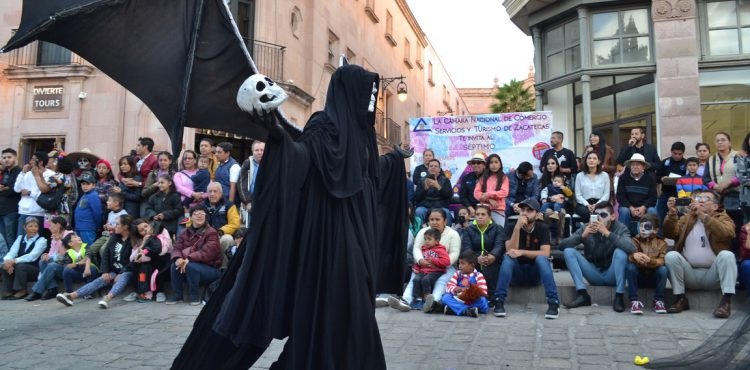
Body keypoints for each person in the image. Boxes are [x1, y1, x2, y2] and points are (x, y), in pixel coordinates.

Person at [663, 190, 737, 318]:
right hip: (690, 274)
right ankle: (680, 298)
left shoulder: (723, 218)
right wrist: (672, 214)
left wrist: (703, 216)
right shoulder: (687, 218)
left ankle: (725, 302)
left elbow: (727, 234)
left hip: (713, 276)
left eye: (706, 198)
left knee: (727, 255)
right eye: (699, 198)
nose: (701, 200)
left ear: (715, 206)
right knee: (671, 256)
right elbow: (670, 233)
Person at [560, 202, 635, 312]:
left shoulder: (620, 228)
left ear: (613, 216)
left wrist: (607, 233)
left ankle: (619, 296)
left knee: (621, 252)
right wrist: (582, 236)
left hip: (612, 274)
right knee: (568, 251)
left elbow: (631, 248)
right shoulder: (587, 227)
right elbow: (562, 245)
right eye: (596, 215)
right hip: (594, 273)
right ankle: (583, 294)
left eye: (603, 215)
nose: (599, 219)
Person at [492, 198, 559, 319]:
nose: (525, 213)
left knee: (541, 259)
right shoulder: (511, 226)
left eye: (529, 210)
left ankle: (553, 302)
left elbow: (545, 253)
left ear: (537, 214)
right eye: (522, 210)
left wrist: (521, 252)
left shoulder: (543, 228)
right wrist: (517, 228)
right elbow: (510, 250)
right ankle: (499, 300)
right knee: (508, 258)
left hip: (535, 274)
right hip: (516, 274)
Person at [389, 208, 461, 313]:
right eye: (431, 219)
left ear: (445, 221)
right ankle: (406, 300)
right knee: (415, 276)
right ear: (428, 221)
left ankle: (433, 303)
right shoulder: (423, 232)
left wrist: (438, 264)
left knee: (441, 281)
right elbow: (417, 248)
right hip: (425, 265)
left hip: (446, 267)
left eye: (437, 219)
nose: (434, 222)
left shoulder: (453, 234)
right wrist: (420, 260)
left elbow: (454, 253)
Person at [56, 214, 136, 309]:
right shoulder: (115, 236)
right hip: (114, 270)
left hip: (127, 270)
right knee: (99, 280)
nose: (115, 226)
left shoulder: (133, 239)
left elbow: (133, 261)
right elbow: (106, 254)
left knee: (123, 277)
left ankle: (107, 298)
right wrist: (105, 271)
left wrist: (121, 272)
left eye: (117, 224)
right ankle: (71, 296)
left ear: (125, 226)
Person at [167, 205, 222, 305]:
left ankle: (194, 296)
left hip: (211, 269)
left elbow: (208, 252)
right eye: (196, 214)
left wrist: (189, 258)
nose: (199, 216)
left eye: (202, 213)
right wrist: (178, 258)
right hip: (190, 266)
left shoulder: (211, 232)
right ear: (191, 217)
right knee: (174, 265)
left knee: (190, 266)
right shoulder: (185, 232)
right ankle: (177, 294)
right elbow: (176, 248)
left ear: (206, 216)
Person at [702, 132, 743, 255]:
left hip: (736, 198)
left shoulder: (739, 156)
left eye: (723, 140)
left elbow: (742, 175)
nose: (720, 142)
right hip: (718, 199)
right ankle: (723, 254)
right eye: (717, 140)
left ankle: (737, 256)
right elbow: (706, 178)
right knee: (721, 228)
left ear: (729, 142)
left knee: (736, 228)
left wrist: (728, 184)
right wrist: (715, 186)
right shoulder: (711, 159)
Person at [625, 213, 668, 315]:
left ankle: (658, 300)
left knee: (663, 270)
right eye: (640, 226)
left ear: (655, 230)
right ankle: (634, 301)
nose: (642, 229)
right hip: (639, 277)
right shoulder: (635, 240)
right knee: (630, 267)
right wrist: (634, 257)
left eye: (647, 227)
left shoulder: (662, 243)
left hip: (654, 278)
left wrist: (650, 261)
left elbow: (661, 261)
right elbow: (629, 257)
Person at [461, 204, 505, 300]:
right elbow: (466, 248)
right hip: (474, 260)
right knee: (467, 263)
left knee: (491, 266)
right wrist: (477, 258)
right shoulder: (468, 230)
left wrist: (492, 256)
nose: (480, 216)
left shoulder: (498, 229)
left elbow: (499, 245)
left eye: (483, 214)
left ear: (489, 217)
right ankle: (469, 293)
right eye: (477, 214)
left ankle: (492, 296)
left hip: (492, 260)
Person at [1, 218, 47, 300]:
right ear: (25, 227)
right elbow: (12, 252)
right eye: (30, 226)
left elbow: (32, 256)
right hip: (20, 268)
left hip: (34, 270)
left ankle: (22, 290)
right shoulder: (20, 238)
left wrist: (14, 261)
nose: (33, 228)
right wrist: (7, 261)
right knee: (5, 265)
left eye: (36, 226)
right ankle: (8, 290)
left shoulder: (42, 240)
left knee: (20, 266)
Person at [27, 216, 71, 300]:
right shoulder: (54, 236)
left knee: (51, 266)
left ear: (58, 225)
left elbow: (65, 255)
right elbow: (52, 252)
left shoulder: (69, 234)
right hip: (57, 263)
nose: (49, 228)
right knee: (42, 261)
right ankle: (52, 289)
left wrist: (59, 240)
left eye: (51, 225)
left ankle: (37, 291)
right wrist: (47, 255)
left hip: (67, 266)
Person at [616, 153, 658, 236]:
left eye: (638, 165)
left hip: (644, 208)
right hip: (628, 207)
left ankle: (651, 237)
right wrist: (631, 208)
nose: (635, 166)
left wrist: (643, 207)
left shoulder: (650, 179)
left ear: (643, 167)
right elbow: (620, 196)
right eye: (633, 164)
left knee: (652, 210)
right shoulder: (623, 178)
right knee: (624, 210)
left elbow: (653, 197)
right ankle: (623, 237)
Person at [13, 151, 53, 236]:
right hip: (23, 211)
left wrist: (29, 193)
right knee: (21, 239)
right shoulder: (27, 174)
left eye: (33, 159)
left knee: (36, 242)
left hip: (39, 212)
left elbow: (46, 193)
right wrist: (22, 173)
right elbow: (17, 189)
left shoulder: (51, 174)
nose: (30, 161)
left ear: (41, 162)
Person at [410, 227, 451, 310]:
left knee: (426, 280)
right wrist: (417, 267)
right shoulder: (424, 249)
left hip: (436, 271)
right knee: (416, 280)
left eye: (429, 239)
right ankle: (417, 299)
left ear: (437, 241)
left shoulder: (440, 250)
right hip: (424, 270)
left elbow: (447, 262)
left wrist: (434, 260)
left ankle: (426, 299)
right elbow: (421, 261)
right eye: (425, 239)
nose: (426, 241)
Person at [125, 219, 164, 302]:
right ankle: (141, 291)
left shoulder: (159, 234)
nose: (145, 230)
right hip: (144, 267)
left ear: (149, 224)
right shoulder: (139, 241)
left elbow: (162, 250)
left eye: (146, 226)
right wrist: (143, 243)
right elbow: (132, 258)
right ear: (138, 234)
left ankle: (157, 292)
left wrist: (146, 256)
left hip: (160, 262)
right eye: (141, 230)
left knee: (146, 264)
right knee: (137, 265)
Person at [203, 182, 241, 268]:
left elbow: (235, 224)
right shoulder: (201, 206)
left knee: (227, 239)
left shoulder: (229, 205)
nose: (212, 194)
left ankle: (223, 269)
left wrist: (220, 232)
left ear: (221, 193)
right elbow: (190, 223)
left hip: (221, 237)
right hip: (204, 238)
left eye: (215, 191)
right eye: (210, 191)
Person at [441, 250, 489, 318]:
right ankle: (466, 310)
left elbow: (483, 291)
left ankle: (454, 309)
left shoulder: (478, 275)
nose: (460, 266)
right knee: (445, 297)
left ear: (472, 265)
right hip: (459, 299)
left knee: (483, 301)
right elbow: (449, 286)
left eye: (462, 263)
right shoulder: (457, 274)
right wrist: (455, 289)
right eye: (459, 263)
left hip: (472, 300)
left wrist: (470, 291)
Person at [88, 193, 128, 267]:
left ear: (116, 203)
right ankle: (98, 268)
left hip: (115, 237)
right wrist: (106, 226)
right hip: (106, 235)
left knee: (103, 250)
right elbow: (109, 224)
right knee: (90, 250)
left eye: (109, 201)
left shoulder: (123, 214)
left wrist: (112, 228)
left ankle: (109, 268)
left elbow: (124, 229)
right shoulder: (110, 213)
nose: (107, 202)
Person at [474, 154, 510, 226]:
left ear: (500, 164)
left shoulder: (504, 178)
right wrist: (489, 199)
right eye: (491, 162)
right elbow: (476, 193)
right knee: (484, 234)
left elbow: (504, 192)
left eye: (496, 162)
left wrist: (487, 194)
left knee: (498, 233)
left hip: (498, 210)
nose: (494, 165)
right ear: (488, 165)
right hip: (483, 210)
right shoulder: (483, 178)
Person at [414, 159, 453, 224]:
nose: (433, 167)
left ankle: (446, 233)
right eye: (431, 166)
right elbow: (416, 198)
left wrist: (438, 187)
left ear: (439, 170)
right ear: (428, 169)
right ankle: (420, 232)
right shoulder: (421, 180)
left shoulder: (446, 180)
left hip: (440, 206)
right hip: (425, 206)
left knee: (446, 212)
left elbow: (449, 196)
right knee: (419, 211)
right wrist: (425, 189)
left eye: (435, 166)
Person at [574, 151, 611, 220]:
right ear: (586, 161)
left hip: (600, 203)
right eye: (589, 158)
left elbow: (606, 195)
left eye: (594, 158)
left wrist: (596, 205)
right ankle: (589, 230)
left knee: (602, 212)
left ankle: (601, 230)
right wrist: (587, 205)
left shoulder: (604, 175)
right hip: (584, 204)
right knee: (586, 212)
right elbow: (578, 195)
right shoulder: (579, 176)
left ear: (599, 162)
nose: (591, 160)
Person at [655, 142, 687, 222]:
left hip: (681, 194)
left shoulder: (686, 163)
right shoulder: (665, 162)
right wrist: (662, 179)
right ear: (671, 151)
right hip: (666, 193)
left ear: (683, 153)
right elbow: (656, 177)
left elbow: (690, 178)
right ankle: (660, 233)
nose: (677, 156)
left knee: (681, 216)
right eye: (675, 153)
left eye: (680, 154)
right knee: (660, 215)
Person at [540, 174, 572, 243]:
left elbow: (569, 195)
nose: (556, 182)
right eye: (555, 181)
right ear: (552, 180)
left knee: (560, 210)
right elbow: (543, 192)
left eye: (559, 182)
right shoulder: (549, 186)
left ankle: (559, 236)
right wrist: (545, 198)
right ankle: (540, 214)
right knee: (545, 206)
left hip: (559, 205)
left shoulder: (563, 188)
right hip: (550, 203)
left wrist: (563, 193)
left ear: (562, 183)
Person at [239, 140, 264, 226]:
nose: (259, 152)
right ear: (252, 151)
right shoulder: (248, 163)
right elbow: (242, 184)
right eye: (256, 150)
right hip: (252, 199)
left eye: (262, 150)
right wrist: (248, 201)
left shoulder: (271, 163)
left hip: (266, 198)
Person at [74, 172, 103, 245]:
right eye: (83, 184)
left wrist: (98, 226)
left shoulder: (93, 196)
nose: (85, 186)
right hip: (80, 227)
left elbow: (97, 213)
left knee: (87, 250)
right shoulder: (85, 195)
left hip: (88, 228)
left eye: (88, 184)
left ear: (93, 185)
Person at [0, 148, 22, 244]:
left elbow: (14, 190)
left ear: (15, 157)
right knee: (2, 239)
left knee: (10, 238)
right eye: (4, 157)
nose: (6, 160)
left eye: (9, 157)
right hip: (1, 210)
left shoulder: (19, 172)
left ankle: (10, 258)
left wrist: (3, 189)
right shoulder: (4, 172)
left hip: (11, 211)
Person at [457, 153, 486, 217]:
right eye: (473, 163)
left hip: (486, 206)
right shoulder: (466, 178)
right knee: (460, 211)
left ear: (484, 165)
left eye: (478, 163)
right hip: (470, 207)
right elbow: (462, 196)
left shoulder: (489, 178)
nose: (475, 165)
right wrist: (470, 208)